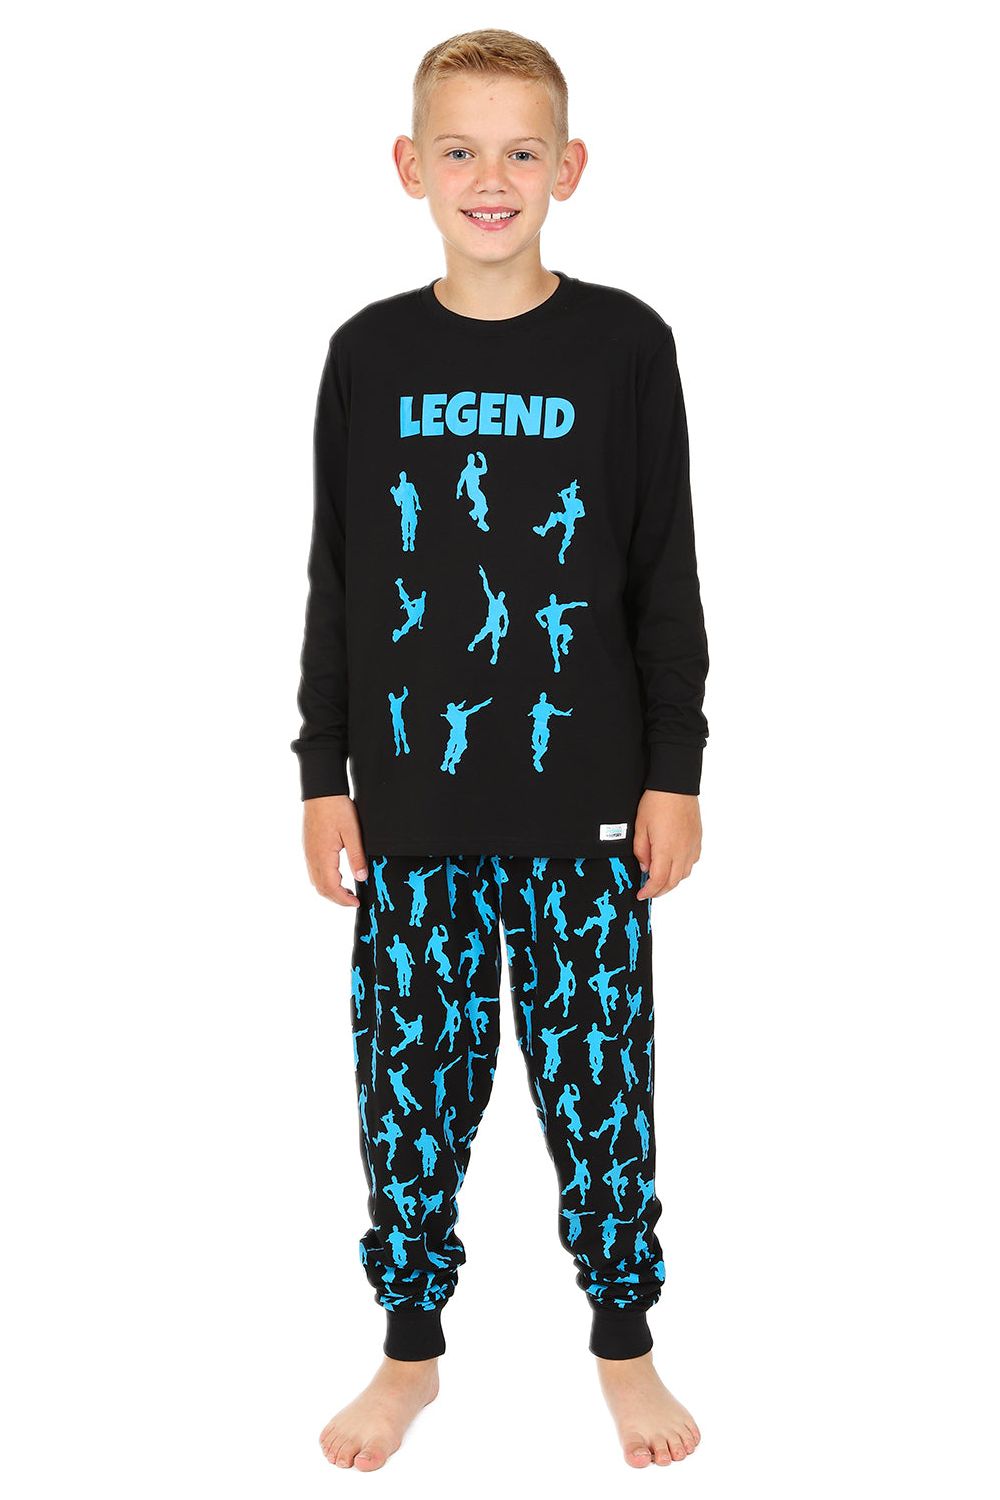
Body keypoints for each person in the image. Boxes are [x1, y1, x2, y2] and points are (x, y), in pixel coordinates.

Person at [291, 27, 709, 1474]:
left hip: (587, 806)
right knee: (410, 1086)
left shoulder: (625, 346)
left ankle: (624, 1343)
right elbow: (342, 577)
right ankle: (410, 1351)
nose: (492, 176)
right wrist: (323, 772)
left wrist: (675, 769)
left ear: (569, 168)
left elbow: (663, 574)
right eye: (459, 149)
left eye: (522, 150)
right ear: (409, 167)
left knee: (602, 1089)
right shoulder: (370, 354)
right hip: (412, 811)